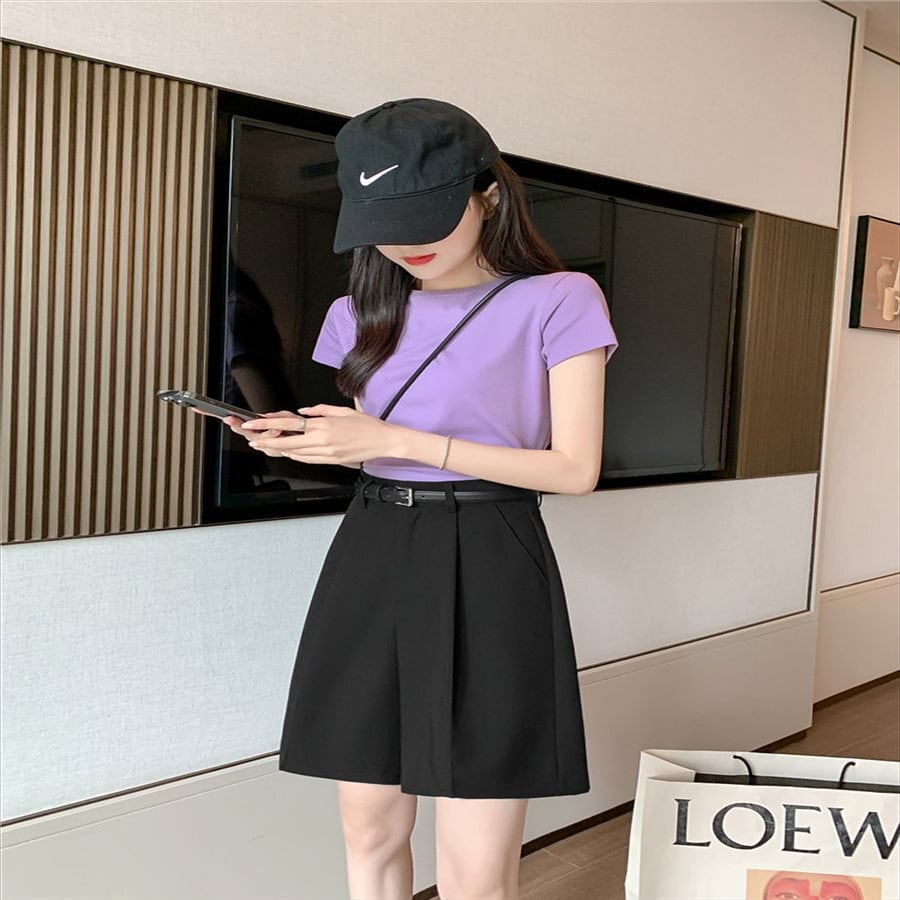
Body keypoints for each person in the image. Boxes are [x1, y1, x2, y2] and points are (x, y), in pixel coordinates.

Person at [220, 98, 619, 900]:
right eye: (384, 224)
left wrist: (399, 442)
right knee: (368, 825)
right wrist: (305, 438)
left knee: (475, 867)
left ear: (489, 195)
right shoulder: (353, 315)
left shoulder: (561, 298)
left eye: (425, 216)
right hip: (373, 549)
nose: (405, 243)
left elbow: (575, 469)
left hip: (492, 550)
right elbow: (369, 443)